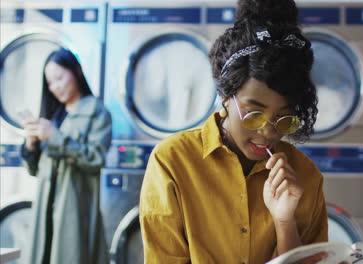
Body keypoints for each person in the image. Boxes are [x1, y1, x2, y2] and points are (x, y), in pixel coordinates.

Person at [140, 0, 331, 263]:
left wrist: (285, 221)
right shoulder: (173, 161)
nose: (267, 132)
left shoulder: (305, 176)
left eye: (284, 119)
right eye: (254, 114)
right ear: (226, 96)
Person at [21, 48, 112, 264]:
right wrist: (31, 145)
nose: (55, 87)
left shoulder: (96, 111)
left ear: (77, 71)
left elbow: (96, 159)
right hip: (44, 212)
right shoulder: (53, 114)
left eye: (59, 78)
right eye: (50, 82)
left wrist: (55, 137)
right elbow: (34, 170)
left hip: (75, 213)